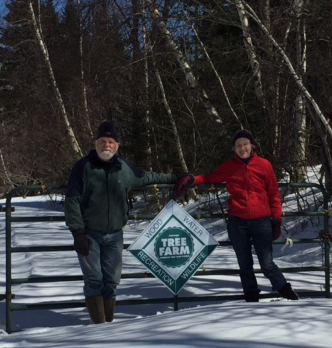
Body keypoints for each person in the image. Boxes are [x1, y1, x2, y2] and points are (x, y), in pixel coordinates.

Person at [65, 121, 190, 324]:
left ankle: (109, 324)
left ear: (117, 146)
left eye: (111, 142)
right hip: (89, 233)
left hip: (115, 234)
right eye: (103, 141)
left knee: (112, 280)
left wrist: (175, 178)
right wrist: (77, 232)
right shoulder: (83, 167)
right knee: (94, 279)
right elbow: (72, 201)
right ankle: (99, 326)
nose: (107, 145)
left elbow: (147, 177)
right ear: (95, 143)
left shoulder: (124, 168)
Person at [173, 129, 299, 302]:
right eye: (238, 146)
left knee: (267, 263)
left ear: (252, 146)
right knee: (245, 264)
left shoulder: (264, 165)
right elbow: (210, 178)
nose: (242, 148)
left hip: (261, 221)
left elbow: (273, 195)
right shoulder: (229, 166)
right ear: (234, 149)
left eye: (245, 144)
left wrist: (276, 220)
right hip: (237, 222)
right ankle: (251, 297)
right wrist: (191, 180)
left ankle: (286, 292)